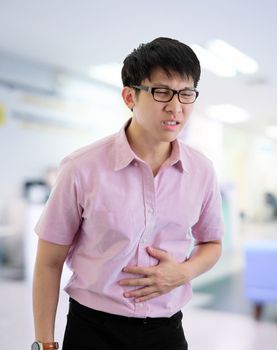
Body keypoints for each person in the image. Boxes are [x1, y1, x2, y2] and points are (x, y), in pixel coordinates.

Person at [32, 37, 224, 350]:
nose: (176, 107)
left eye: (186, 93)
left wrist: (182, 273)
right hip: (92, 329)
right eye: (162, 91)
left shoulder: (201, 171)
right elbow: (48, 262)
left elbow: (212, 243)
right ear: (129, 96)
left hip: (166, 330)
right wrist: (45, 343)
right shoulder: (82, 168)